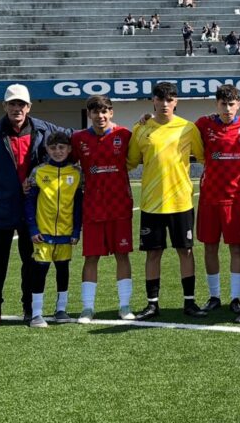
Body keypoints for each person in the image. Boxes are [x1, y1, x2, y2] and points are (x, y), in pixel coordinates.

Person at [0, 84, 71, 327]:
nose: (17, 108)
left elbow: (76, 138)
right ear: (4, 106)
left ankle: (30, 308)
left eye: (21, 104)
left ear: (29, 107)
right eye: (12, 103)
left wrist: (112, 127)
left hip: (33, 209)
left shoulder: (45, 130)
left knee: (32, 261)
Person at [126, 82, 207, 320]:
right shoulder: (141, 129)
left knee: (186, 251)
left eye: (169, 99)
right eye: (160, 99)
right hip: (151, 203)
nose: (164, 104)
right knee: (153, 254)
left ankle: (190, 303)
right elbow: (129, 162)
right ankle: (152, 304)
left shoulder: (188, 128)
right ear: (153, 100)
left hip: (181, 202)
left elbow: (204, 157)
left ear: (176, 101)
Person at [195, 85, 240, 317]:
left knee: (236, 248)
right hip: (209, 198)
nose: (227, 109)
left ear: (238, 105)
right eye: (223, 104)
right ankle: (214, 296)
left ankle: (235, 298)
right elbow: (179, 135)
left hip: (236, 199)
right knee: (210, 247)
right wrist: (148, 118)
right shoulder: (203, 124)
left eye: (231, 104)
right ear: (216, 104)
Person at [70, 96, 136, 323]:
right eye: (96, 112)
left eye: (105, 111)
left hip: (120, 207)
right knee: (91, 258)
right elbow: (65, 162)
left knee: (122, 255)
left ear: (111, 113)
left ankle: (125, 306)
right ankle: (87, 308)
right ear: (89, 114)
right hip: (92, 208)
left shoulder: (125, 135)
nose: (100, 116)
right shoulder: (78, 139)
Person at [24, 132, 82, 327]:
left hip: (66, 233)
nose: (58, 151)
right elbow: (29, 202)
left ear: (69, 149)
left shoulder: (76, 173)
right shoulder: (39, 171)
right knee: (40, 270)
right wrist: (33, 229)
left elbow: (78, 205)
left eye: (62, 147)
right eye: (53, 148)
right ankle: (36, 313)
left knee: (63, 270)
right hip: (43, 232)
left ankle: (61, 309)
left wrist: (76, 230)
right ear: (47, 150)